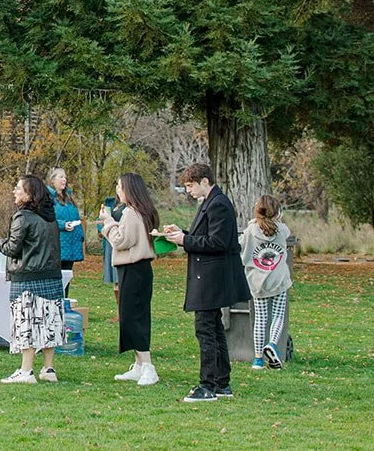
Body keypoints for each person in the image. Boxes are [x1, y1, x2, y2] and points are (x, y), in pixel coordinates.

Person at [162, 162, 252, 403]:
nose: (189, 190)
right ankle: (222, 383)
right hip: (210, 277)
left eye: (191, 185)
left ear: (205, 181)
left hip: (212, 278)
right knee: (214, 328)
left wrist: (184, 241)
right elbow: (205, 236)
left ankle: (208, 385)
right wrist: (180, 233)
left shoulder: (219, 204)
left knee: (206, 330)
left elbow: (218, 243)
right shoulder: (211, 203)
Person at [0, 174, 66, 384]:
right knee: (49, 321)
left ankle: (26, 371)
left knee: (26, 322)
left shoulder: (22, 217)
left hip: (27, 277)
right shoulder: (50, 216)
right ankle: (48, 368)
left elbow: (12, 248)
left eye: (18, 188)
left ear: (29, 195)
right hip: (52, 276)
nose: (14, 191)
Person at [100, 173, 160, 385]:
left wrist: (108, 223)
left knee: (134, 317)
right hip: (138, 269)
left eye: (119, 186)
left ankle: (148, 366)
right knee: (132, 315)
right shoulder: (144, 212)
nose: (117, 190)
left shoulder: (131, 214)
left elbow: (121, 240)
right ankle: (139, 365)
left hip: (134, 269)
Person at [241, 194, 293, 371]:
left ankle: (257, 359)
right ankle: (272, 345)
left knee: (261, 319)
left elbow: (241, 247)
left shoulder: (250, 231)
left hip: (257, 281)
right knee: (278, 315)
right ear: (276, 212)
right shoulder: (282, 229)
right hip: (278, 279)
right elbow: (288, 235)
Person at [48, 168, 85, 287]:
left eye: (65, 177)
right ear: (52, 180)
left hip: (71, 245)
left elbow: (76, 218)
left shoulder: (69, 198)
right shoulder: (48, 198)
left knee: (67, 280)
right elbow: (47, 219)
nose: (64, 179)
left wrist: (80, 236)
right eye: (61, 177)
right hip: (58, 245)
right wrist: (63, 225)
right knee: (57, 281)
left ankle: (65, 303)